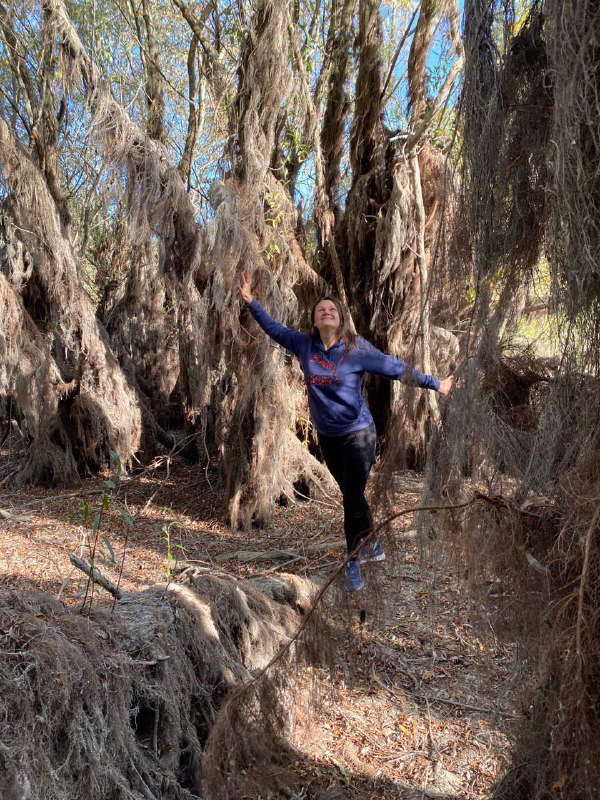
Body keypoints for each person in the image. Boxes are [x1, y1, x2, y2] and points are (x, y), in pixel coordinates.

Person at [238, 271, 454, 591]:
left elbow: (396, 368)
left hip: (359, 434)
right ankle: (372, 544)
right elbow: (274, 329)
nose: (327, 311)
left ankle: (352, 559)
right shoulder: (304, 344)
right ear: (314, 320)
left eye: (333, 310)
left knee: (352, 497)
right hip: (328, 437)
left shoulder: (356, 349)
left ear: (339, 320)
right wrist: (251, 302)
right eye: (321, 309)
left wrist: (437, 384)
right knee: (351, 495)